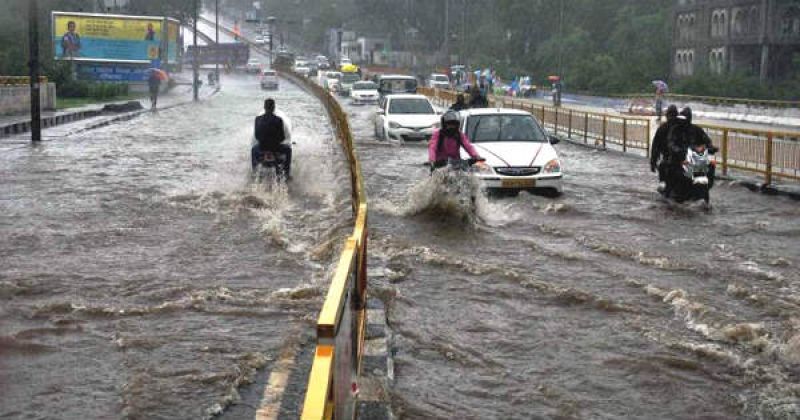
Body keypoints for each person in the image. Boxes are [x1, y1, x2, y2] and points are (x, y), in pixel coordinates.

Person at [663, 107, 716, 198]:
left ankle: (706, 187)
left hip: (695, 159)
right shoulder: (675, 130)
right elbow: (671, 143)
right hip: (679, 158)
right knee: (670, 169)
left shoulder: (696, 130)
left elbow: (707, 140)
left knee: (710, 166)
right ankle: (668, 193)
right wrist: (678, 150)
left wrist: (711, 147)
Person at [253, 98, 292, 178]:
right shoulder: (279, 120)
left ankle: (255, 172)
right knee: (288, 150)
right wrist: (275, 142)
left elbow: (256, 136)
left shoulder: (257, 119)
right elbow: (282, 137)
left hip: (262, 147)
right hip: (276, 148)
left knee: (253, 150)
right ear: (274, 107)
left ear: (264, 107)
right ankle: (287, 173)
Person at [650, 105, 679, 185]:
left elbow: (655, 147)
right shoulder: (682, 127)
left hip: (669, 159)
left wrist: (653, 162)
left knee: (662, 180)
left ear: (667, 116)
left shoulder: (662, 128)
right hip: (678, 160)